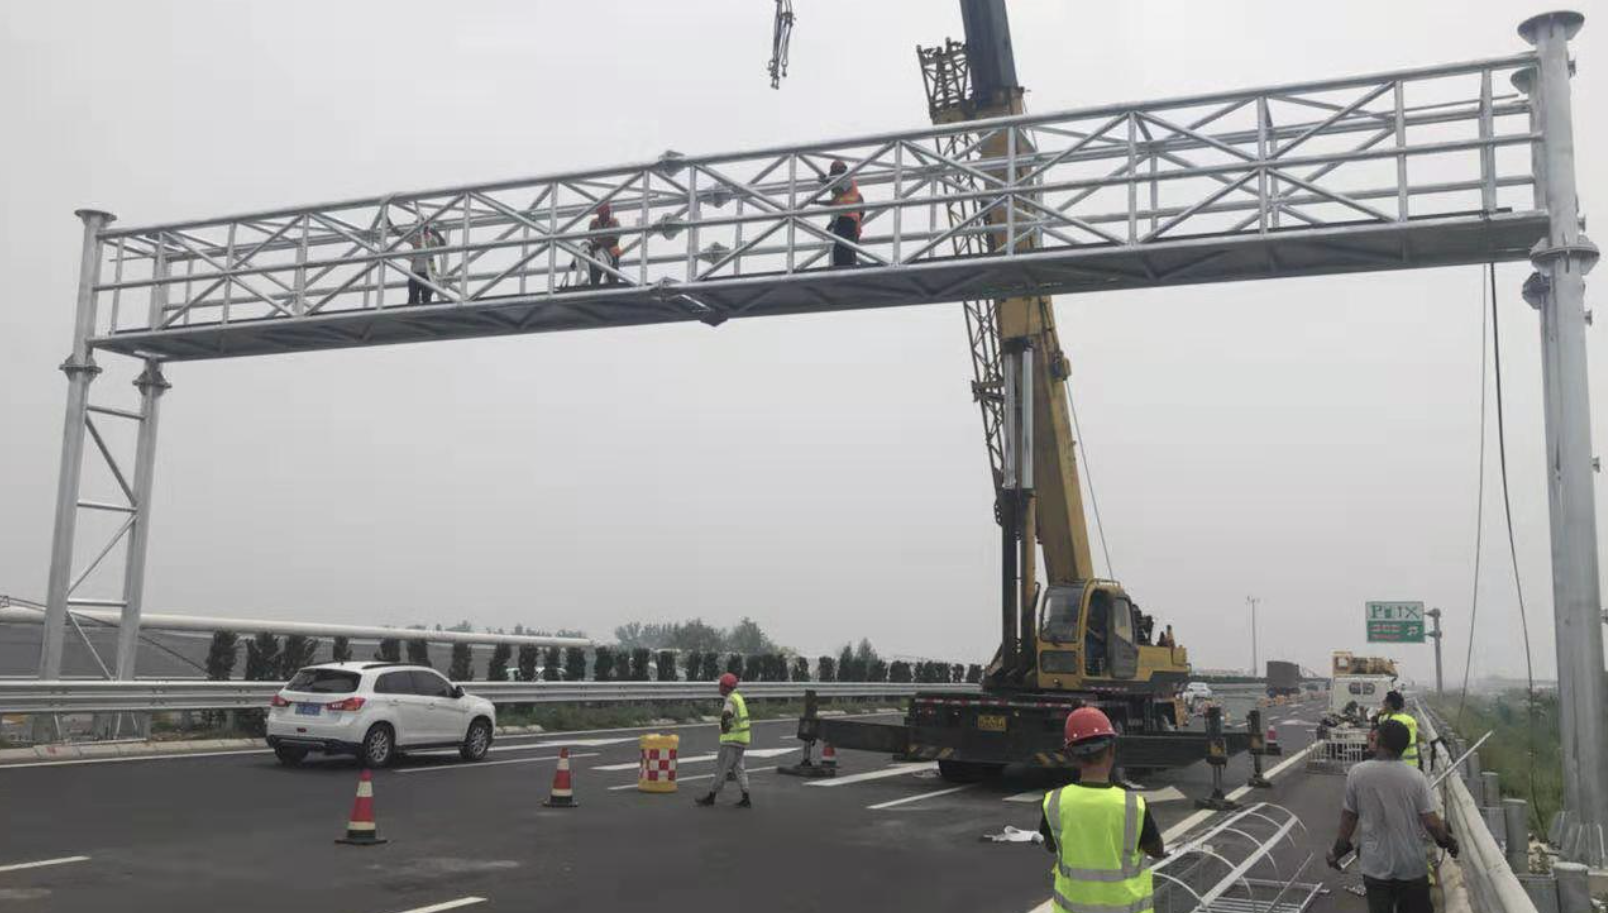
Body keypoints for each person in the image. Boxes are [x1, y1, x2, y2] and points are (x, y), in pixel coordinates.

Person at [1040, 706, 1165, 913]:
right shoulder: (1133, 805)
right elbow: (1157, 850)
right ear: (1112, 750)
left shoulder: (1053, 802)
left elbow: (1051, 846)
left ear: (1070, 754)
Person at [1327, 719, 1458, 913]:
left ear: (1379, 739)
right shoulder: (1416, 777)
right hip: (1411, 867)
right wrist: (1447, 841)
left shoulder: (1358, 773)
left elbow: (1349, 818)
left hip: (1375, 866)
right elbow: (1431, 823)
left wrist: (1338, 850)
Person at [695, 672, 752, 808]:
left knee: (722, 769)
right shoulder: (738, 697)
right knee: (739, 769)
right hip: (742, 740)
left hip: (731, 741)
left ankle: (711, 796)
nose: (719, 688)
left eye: (721, 685)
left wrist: (724, 729)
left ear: (727, 687)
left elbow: (726, 717)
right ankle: (746, 798)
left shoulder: (731, 700)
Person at [824, 160, 863, 267]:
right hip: (844, 219)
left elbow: (838, 191)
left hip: (849, 219)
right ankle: (841, 267)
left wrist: (827, 182)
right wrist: (816, 202)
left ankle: (845, 268)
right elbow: (834, 202)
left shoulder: (847, 180)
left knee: (845, 247)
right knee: (840, 247)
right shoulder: (842, 186)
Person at [1375, 691, 1421, 769]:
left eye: (1385, 702)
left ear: (1389, 704)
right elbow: (1418, 738)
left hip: (1397, 765)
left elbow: (1377, 719)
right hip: (1413, 763)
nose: (1383, 704)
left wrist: (1381, 712)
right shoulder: (1411, 720)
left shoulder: (1388, 721)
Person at [403, 222, 446, 305]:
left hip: (427, 273)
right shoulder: (415, 237)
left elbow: (443, 244)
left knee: (426, 298)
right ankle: (412, 313)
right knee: (413, 297)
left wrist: (436, 233)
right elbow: (400, 234)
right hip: (415, 272)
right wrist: (390, 225)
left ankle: (425, 313)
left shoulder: (431, 239)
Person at [587, 202, 623, 286]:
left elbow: (616, 239)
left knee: (613, 273)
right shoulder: (594, 223)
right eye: (603, 214)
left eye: (607, 213)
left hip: (612, 251)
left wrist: (601, 244)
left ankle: (613, 285)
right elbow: (590, 238)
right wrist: (595, 245)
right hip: (598, 251)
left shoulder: (614, 222)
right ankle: (594, 286)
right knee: (594, 268)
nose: (606, 215)